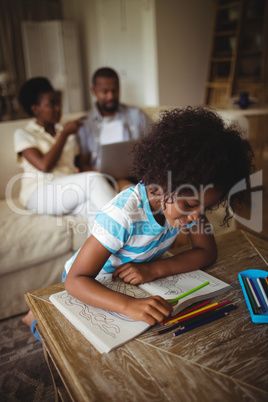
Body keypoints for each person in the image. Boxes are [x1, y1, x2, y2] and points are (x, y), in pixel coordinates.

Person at [25, 107, 254, 338]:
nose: (196, 218)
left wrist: (153, 269)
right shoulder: (124, 214)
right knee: (65, 336)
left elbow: (207, 252)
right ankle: (34, 318)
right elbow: (75, 281)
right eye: (192, 205)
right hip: (92, 281)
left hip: (133, 275)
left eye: (205, 208)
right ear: (164, 182)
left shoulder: (188, 203)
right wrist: (127, 306)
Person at [14, 77, 117, 221]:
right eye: (51, 104)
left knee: (96, 212)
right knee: (93, 180)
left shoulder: (67, 132)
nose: (58, 108)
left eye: (58, 102)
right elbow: (44, 165)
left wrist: (105, 172)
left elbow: (78, 165)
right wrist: (64, 134)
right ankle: (132, 232)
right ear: (35, 109)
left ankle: (117, 241)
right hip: (38, 193)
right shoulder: (24, 134)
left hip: (67, 190)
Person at [77, 67, 152, 173]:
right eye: (105, 91)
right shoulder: (85, 123)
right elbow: (83, 162)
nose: (111, 96)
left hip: (135, 174)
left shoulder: (137, 115)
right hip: (100, 178)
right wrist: (95, 174)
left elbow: (156, 144)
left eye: (114, 90)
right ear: (94, 91)